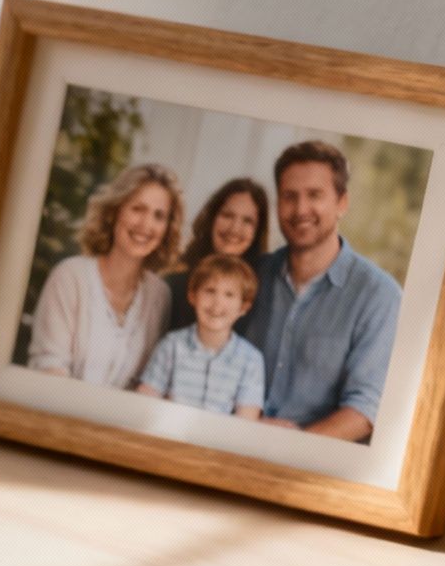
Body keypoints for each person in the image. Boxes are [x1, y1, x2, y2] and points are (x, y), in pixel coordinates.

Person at [240, 140, 402, 442]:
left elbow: (364, 410)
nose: (301, 209)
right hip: (234, 443)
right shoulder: (251, 276)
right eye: (290, 196)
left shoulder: (379, 295)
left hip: (310, 464)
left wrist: (288, 449)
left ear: (342, 202)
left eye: (315, 195)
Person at [26, 164, 182, 388]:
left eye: (159, 216)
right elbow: (48, 364)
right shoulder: (70, 277)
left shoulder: (160, 296)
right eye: (138, 209)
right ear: (114, 212)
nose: (146, 224)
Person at [137, 254, 264, 419]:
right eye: (210, 291)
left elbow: (246, 420)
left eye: (229, 295)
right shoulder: (171, 346)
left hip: (218, 442)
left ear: (243, 307)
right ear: (193, 296)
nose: (217, 303)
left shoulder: (251, 360)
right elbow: (145, 400)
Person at [163, 177, 268, 332]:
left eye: (247, 221)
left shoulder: (260, 293)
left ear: (257, 232)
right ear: (212, 218)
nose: (234, 228)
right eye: (227, 215)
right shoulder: (174, 280)